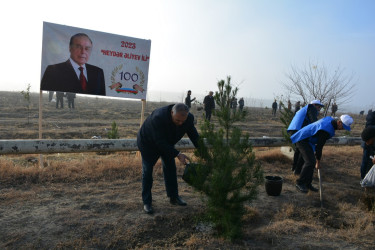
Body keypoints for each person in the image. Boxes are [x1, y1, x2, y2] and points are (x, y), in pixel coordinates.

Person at [137, 103, 199, 214]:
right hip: (148, 144)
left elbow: (193, 134)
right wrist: (178, 154)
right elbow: (159, 142)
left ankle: (174, 197)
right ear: (171, 113)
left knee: (170, 168)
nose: (180, 124)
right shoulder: (158, 117)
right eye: (177, 120)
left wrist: (203, 150)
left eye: (182, 121)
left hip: (167, 144)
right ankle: (147, 202)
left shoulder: (188, 118)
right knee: (147, 172)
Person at [291, 114, 353, 193]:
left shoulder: (330, 121)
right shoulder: (326, 129)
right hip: (302, 139)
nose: (343, 129)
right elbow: (319, 147)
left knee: (311, 162)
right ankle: (300, 183)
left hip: (308, 140)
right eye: (343, 126)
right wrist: (318, 162)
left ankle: (307, 183)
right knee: (310, 162)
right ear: (339, 122)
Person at [41, 33, 106, 96]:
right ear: (70, 48)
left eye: (87, 48)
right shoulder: (53, 71)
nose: (83, 52)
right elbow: (46, 97)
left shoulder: (98, 72)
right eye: (78, 47)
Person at [288, 100, 324, 175]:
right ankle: (298, 171)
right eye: (319, 106)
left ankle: (294, 168)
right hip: (298, 130)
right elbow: (314, 122)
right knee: (305, 150)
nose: (319, 108)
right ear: (314, 104)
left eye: (320, 107)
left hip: (294, 129)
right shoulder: (311, 108)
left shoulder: (305, 109)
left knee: (298, 149)